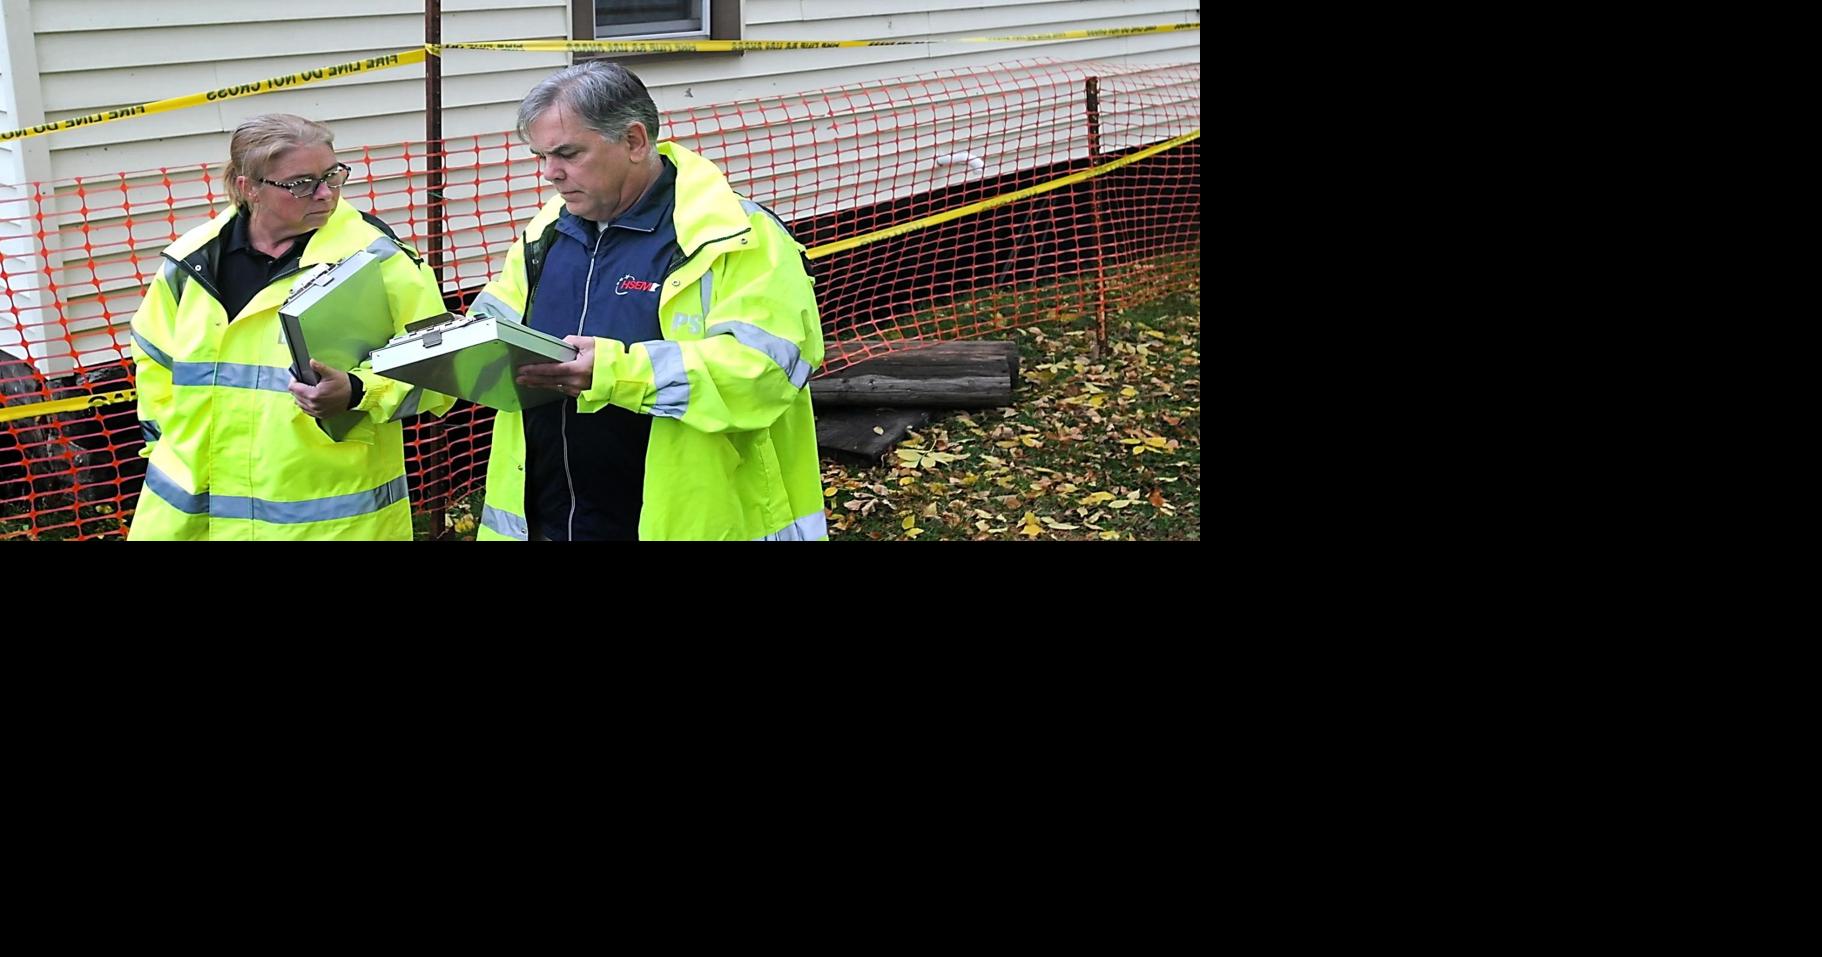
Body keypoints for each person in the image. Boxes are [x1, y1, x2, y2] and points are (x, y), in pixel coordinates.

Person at [471, 62, 825, 541]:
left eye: (568, 154)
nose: (551, 174)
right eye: (541, 157)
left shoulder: (735, 235)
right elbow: (491, 323)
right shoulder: (548, 232)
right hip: (550, 521)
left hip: (684, 522)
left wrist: (614, 373)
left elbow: (763, 372)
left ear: (635, 141)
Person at [127, 113, 454, 540]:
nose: (325, 194)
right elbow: (154, 365)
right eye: (301, 183)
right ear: (249, 188)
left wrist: (357, 391)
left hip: (330, 526)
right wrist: (164, 449)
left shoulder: (379, 261)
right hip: (190, 518)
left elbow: (443, 369)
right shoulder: (189, 261)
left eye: (332, 176)